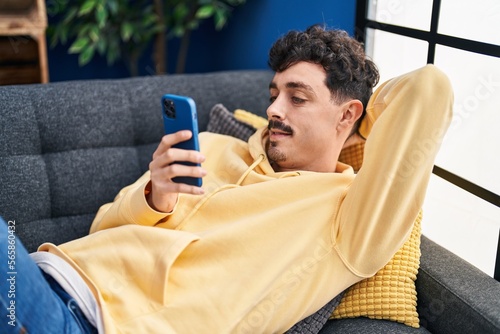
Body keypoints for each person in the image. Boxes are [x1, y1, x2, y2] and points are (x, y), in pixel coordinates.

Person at [0, 25, 453, 333]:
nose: (274, 109)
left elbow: (428, 89)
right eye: (274, 94)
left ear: (349, 114)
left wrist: (355, 124)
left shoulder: (346, 221)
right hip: (48, 272)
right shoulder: (215, 147)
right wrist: (154, 198)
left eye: (298, 98)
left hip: (89, 321)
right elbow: (101, 229)